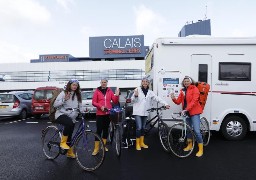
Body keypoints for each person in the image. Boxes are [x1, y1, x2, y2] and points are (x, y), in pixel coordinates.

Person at [131, 77, 170, 151]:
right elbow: (133, 101)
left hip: (146, 112)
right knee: (139, 128)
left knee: (143, 127)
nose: (145, 83)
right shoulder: (137, 90)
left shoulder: (150, 92)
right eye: (144, 81)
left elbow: (157, 98)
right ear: (141, 82)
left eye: (146, 82)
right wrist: (135, 95)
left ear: (148, 83)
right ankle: (137, 144)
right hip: (138, 112)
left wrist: (165, 104)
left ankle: (142, 142)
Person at [170, 76, 204, 157]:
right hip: (186, 113)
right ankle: (189, 145)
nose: (186, 82)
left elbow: (194, 101)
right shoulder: (182, 91)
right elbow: (178, 102)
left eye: (187, 81)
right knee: (188, 130)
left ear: (191, 81)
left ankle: (201, 149)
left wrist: (187, 109)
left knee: (196, 131)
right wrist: (173, 98)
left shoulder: (194, 89)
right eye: (185, 81)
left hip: (194, 112)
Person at [54, 79, 83, 158]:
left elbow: (80, 105)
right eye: (73, 85)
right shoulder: (64, 93)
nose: (74, 86)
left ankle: (69, 153)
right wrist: (64, 100)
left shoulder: (78, 94)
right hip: (61, 114)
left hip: (72, 117)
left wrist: (82, 112)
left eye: (76, 85)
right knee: (69, 123)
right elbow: (55, 105)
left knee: (70, 134)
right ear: (69, 85)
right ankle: (63, 142)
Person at [92, 78, 120, 155]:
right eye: (102, 82)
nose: (104, 83)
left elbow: (115, 101)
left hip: (108, 113)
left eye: (105, 82)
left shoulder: (109, 90)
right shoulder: (97, 91)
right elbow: (94, 102)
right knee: (99, 130)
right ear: (100, 83)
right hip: (100, 114)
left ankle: (103, 146)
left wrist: (117, 95)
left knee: (105, 130)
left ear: (107, 83)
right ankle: (96, 149)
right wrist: (100, 106)